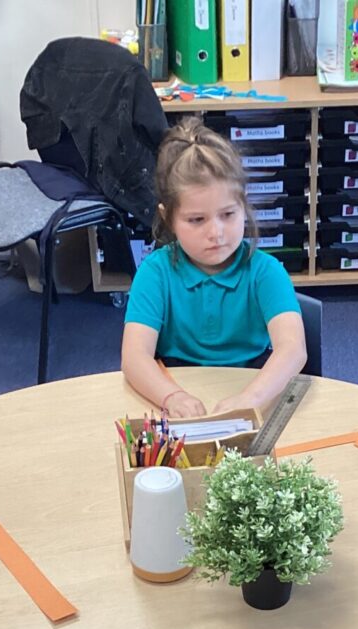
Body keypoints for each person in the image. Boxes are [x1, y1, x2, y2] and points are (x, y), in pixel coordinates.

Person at [121, 117, 305, 418]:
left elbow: (293, 349)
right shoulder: (155, 273)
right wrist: (172, 397)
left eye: (228, 214)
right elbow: (134, 357)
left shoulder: (266, 272)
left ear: (243, 206)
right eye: (197, 220)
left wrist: (252, 398)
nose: (216, 233)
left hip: (252, 384)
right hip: (173, 388)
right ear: (168, 218)